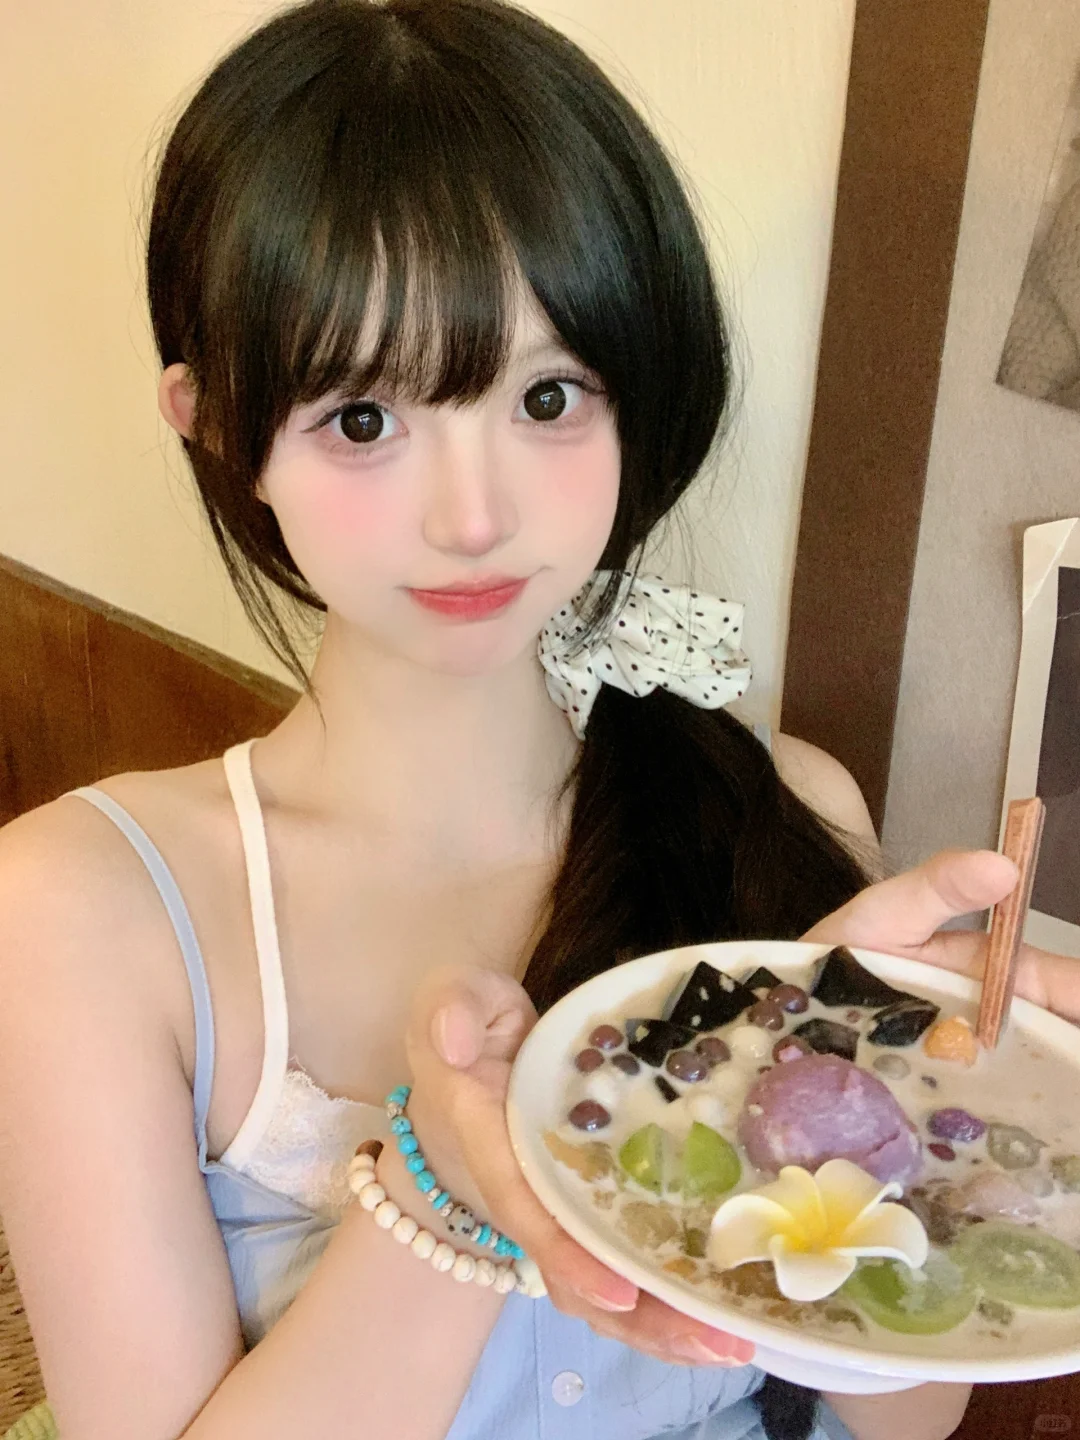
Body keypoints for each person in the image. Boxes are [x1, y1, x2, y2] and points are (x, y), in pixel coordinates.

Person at [0, 3, 1072, 1438]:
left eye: (550, 396)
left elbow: (904, 1423)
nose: (474, 516)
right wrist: (445, 1191)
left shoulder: (774, 800)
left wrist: (839, 1085)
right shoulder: (81, 911)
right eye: (364, 420)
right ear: (215, 423)